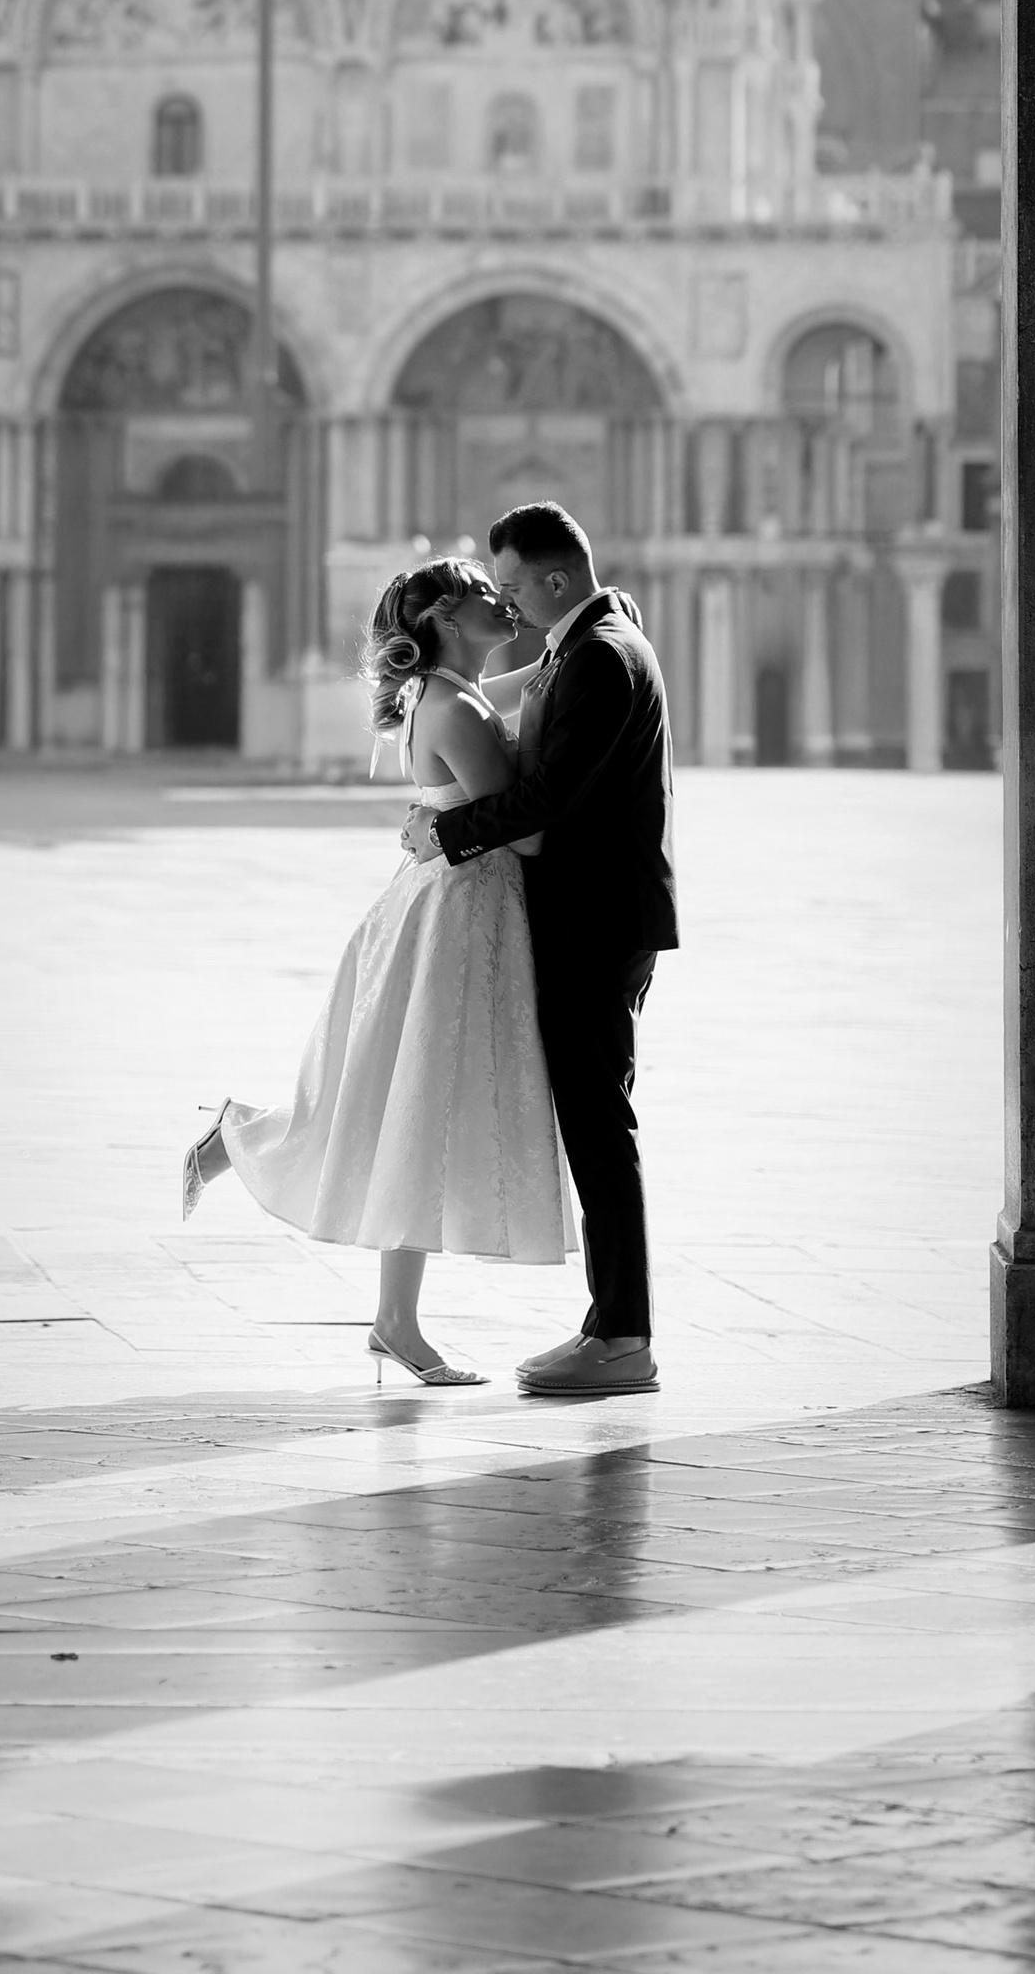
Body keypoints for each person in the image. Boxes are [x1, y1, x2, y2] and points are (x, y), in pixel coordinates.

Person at [177, 556, 574, 1383]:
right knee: (414, 1106)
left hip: (444, 911)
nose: (504, 603)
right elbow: (526, 833)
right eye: (483, 595)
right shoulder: (455, 706)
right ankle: (244, 1142)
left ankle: (395, 1318)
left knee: (414, 1112)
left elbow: (514, 690)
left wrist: (567, 650)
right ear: (447, 620)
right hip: (457, 921)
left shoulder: (445, 692)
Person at [403, 500, 675, 1399]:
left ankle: (624, 1337)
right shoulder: (596, 634)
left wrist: (447, 832)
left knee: (600, 1128)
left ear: (557, 577)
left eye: (515, 584)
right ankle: (610, 1327)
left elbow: (550, 797)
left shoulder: (598, 653)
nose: (508, 603)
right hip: (597, 915)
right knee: (598, 1124)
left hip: (593, 919)